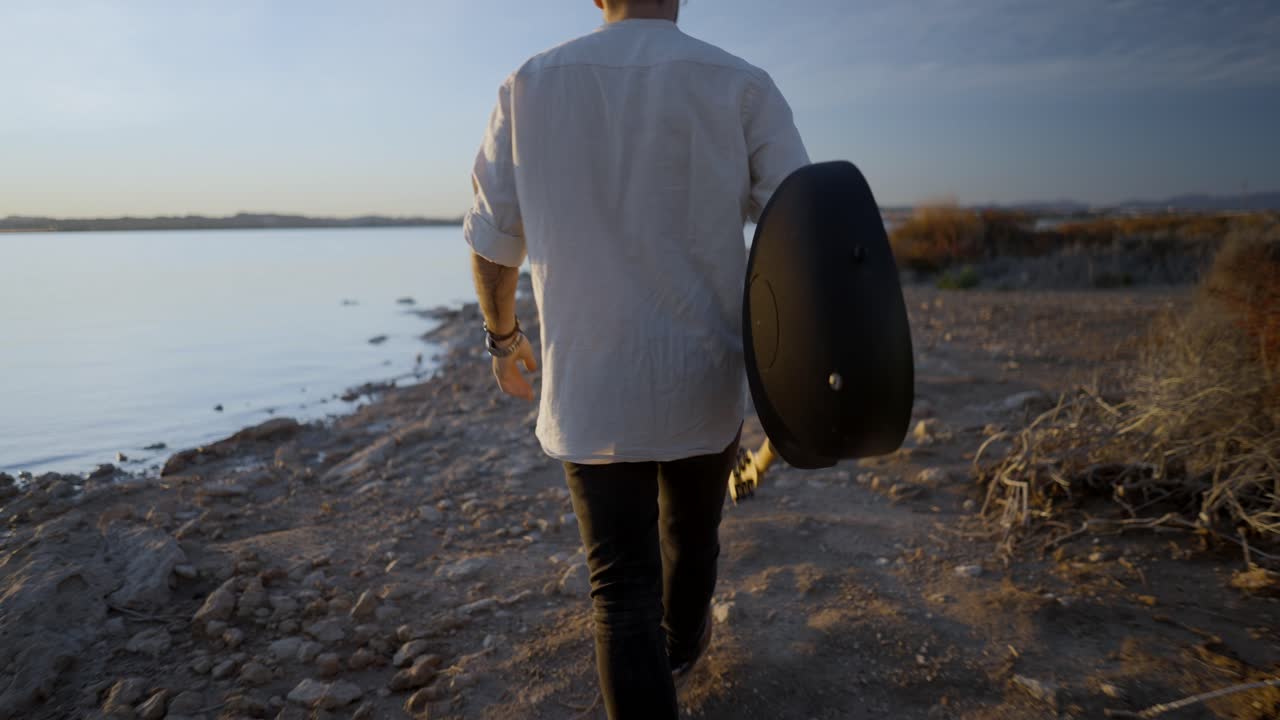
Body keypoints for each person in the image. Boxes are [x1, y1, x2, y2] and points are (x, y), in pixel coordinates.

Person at [463, 1, 808, 717]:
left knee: (619, 589)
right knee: (692, 535)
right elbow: (798, 226)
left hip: (590, 383)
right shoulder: (740, 83)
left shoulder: (528, 85)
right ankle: (681, 645)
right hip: (703, 376)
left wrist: (503, 339)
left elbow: (493, 240)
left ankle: (669, 652)